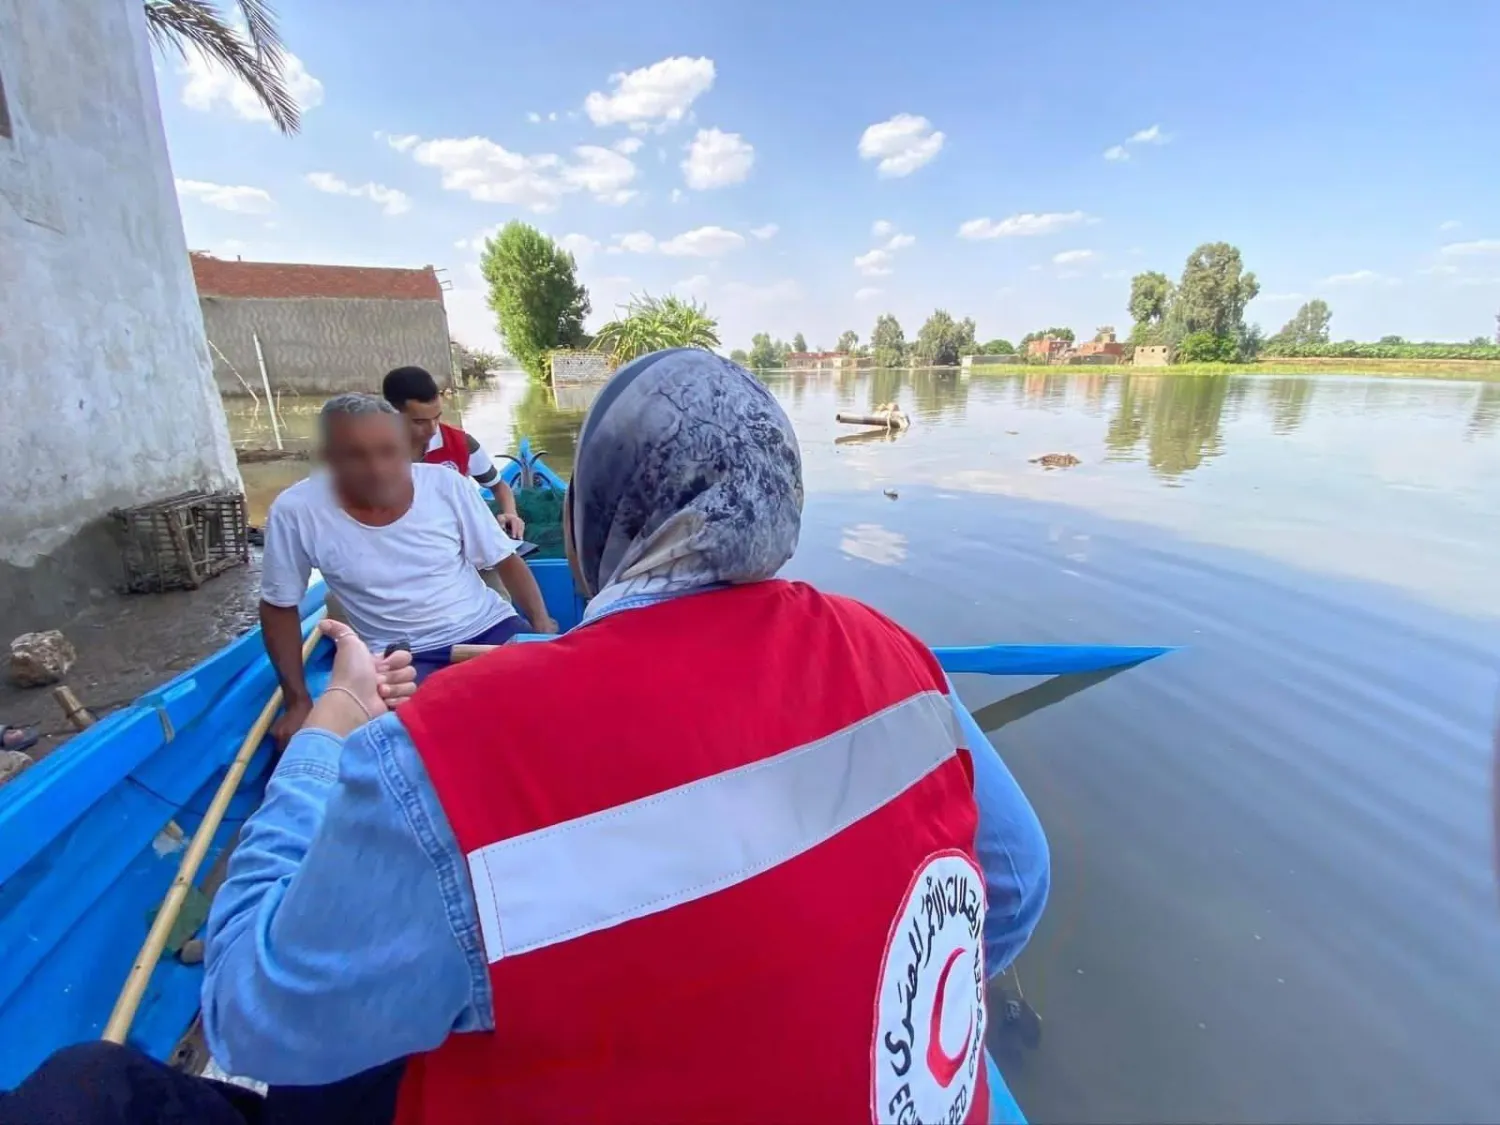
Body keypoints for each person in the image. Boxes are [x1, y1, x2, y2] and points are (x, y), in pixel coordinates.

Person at [3, 351, 1049, 1124]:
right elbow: (1018, 875)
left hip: (429, 691)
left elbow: (253, 1021)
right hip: (463, 668)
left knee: (82, 1094)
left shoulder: (453, 752)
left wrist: (323, 732)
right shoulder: (897, 651)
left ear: (595, 523)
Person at [259, 393, 556, 743]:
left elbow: (504, 559)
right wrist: (297, 701)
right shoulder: (296, 511)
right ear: (328, 458)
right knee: (424, 744)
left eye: (388, 452)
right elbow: (279, 605)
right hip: (399, 657)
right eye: (355, 455)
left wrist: (541, 625)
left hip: (489, 629)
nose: (377, 469)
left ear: (408, 448)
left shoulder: (447, 486)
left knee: (551, 709)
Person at [381, 365, 525, 540]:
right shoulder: (367, 451)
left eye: (437, 417)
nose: (433, 429)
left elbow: (498, 486)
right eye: (419, 421)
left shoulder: (462, 444)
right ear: (391, 414)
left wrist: (510, 514)